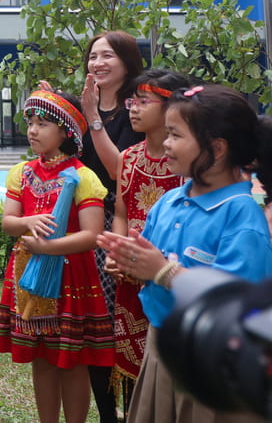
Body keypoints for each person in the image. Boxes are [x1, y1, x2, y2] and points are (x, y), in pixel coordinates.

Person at [99, 84, 272, 423]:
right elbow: (150, 261)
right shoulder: (169, 202)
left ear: (217, 148)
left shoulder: (242, 218)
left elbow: (237, 305)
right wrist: (130, 260)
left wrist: (163, 271)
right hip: (162, 348)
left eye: (175, 135)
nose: (166, 143)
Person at [0, 90, 113, 423]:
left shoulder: (84, 176)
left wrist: (46, 247)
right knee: (42, 359)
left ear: (66, 132)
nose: (32, 130)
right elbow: (8, 222)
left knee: (72, 361)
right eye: (31, 123)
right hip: (29, 275)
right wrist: (28, 222)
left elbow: (92, 235)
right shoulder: (22, 172)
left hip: (70, 277)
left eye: (43, 124)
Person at [47, 30, 144, 423]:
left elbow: (122, 171)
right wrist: (55, 109)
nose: (98, 63)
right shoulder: (84, 102)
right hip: (82, 222)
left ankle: (133, 410)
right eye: (93, 56)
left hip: (121, 223)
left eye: (107, 56)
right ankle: (107, 415)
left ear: (127, 62)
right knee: (92, 327)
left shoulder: (138, 108)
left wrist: (91, 119)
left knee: (124, 323)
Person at [108, 68, 195, 408]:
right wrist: (117, 251)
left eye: (144, 101)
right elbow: (121, 212)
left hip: (170, 278)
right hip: (129, 281)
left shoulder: (187, 165)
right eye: (132, 101)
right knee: (135, 385)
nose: (133, 108)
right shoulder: (128, 158)